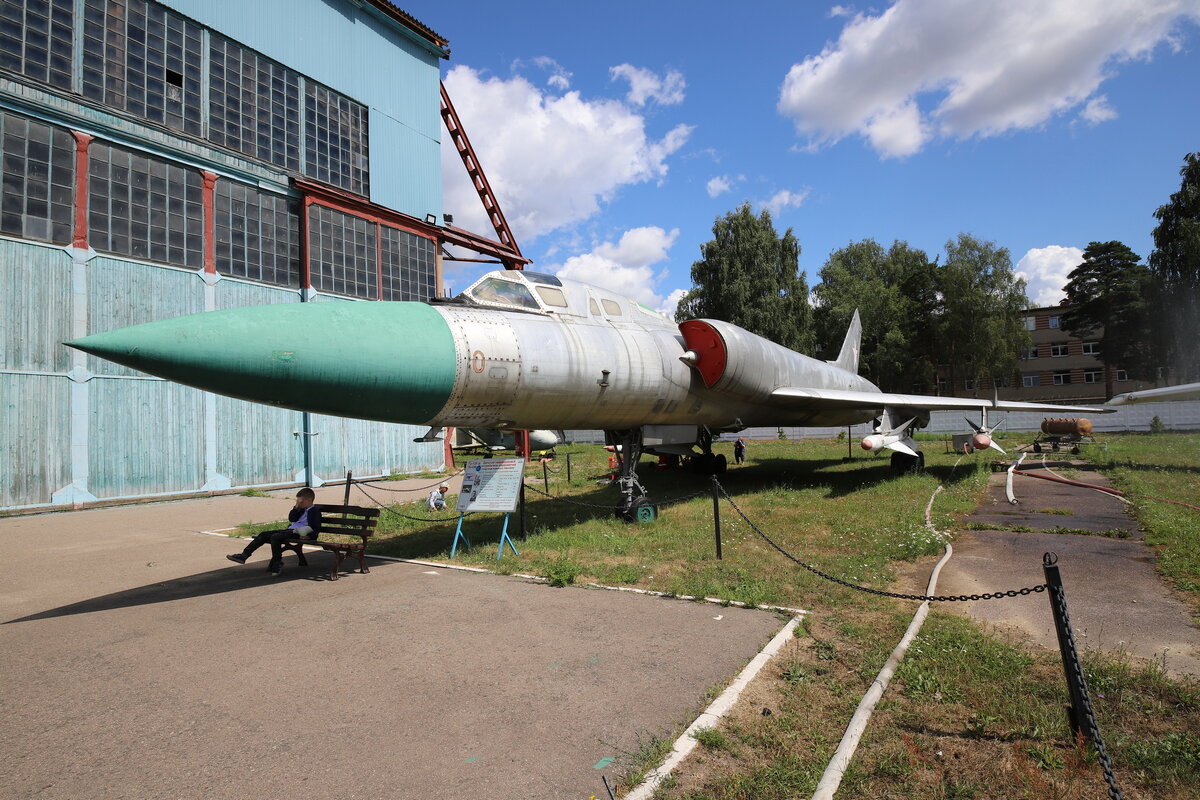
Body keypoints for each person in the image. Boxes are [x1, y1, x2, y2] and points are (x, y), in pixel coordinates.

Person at [226, 488, 322, 576]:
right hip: (290, 530)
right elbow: (291, 518)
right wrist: (296, 507)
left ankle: (277, 562)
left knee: (276, 536)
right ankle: (244, 555)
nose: (298, 503)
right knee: (263, 534)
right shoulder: (300, 510)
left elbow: (316, 528)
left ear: (309, 500)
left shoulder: (315, 511)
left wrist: (309, 536)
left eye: (300, 501)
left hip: (300, 532)